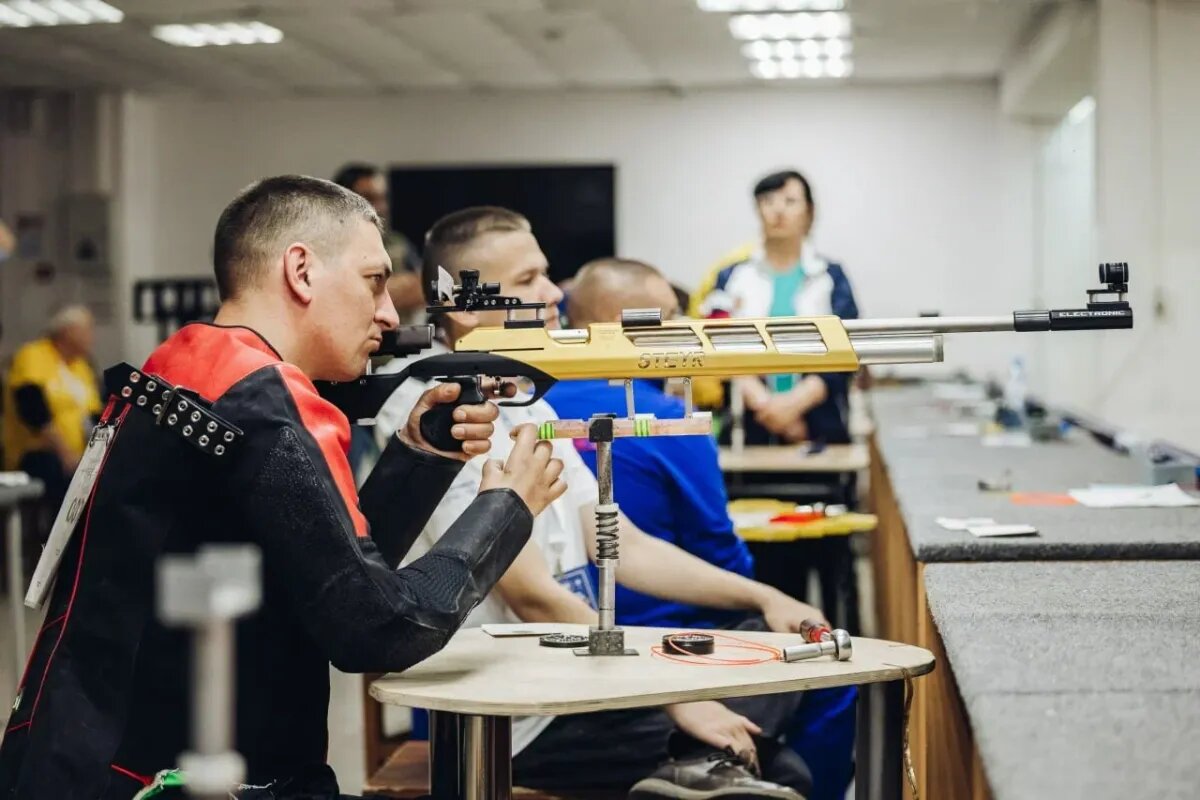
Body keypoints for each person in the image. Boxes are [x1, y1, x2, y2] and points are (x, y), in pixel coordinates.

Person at [0, 176, 567, 800]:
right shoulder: (265, 398)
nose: (387, 313)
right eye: (373, 281)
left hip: (76, 760)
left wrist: (420, 457)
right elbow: (377, 628)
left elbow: (326, 578)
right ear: (301, 270)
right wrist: (506, 508)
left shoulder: (186, 364)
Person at [374, 207, 832, 800]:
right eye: (528, 280)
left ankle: (697, 769)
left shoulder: (522, 397)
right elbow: (532, 595)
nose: (553, 293)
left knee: (762, 641)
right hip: (526, 715)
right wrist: (672, 694)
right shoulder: (436, 407)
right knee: (785, 772)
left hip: (580, 675)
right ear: (463, 306)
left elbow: (624, 544)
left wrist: (765, 597)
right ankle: (698, 768)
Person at [547, 258, 857, 800]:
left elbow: (623, 545)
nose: (684, 329)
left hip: (584, 645)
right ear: (628, 324)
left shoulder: (530, 410)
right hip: (663, 639)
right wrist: (765, 597)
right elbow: (719, 552)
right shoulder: (665, 417)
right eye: (670, 316)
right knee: (831, 675)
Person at [693, 169, 860, 446]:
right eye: (768, 201)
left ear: (809, 212)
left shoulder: (831, 276)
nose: (778, 210)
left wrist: (794, 405)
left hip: (819, 425)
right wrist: (766, 406)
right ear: (757, 210)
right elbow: (715, 344)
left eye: (790, 201)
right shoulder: (730, 276)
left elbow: (846, 348)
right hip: (748, 422)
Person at [1, 304, 101, 510]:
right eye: (87, 330)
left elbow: (94, 416)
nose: (92, 337)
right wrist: (65, 453)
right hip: (36, 452)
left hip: (76, 454)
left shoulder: (81, 366)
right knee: (57, 470)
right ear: (67, 331)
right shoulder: (33, 355)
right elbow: (33, 411)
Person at [332, 163, 425, 322]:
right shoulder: (330, 245)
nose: (379, 207)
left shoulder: (397, 243)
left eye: (382, 198)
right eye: (369, 198)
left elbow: (424, 288)